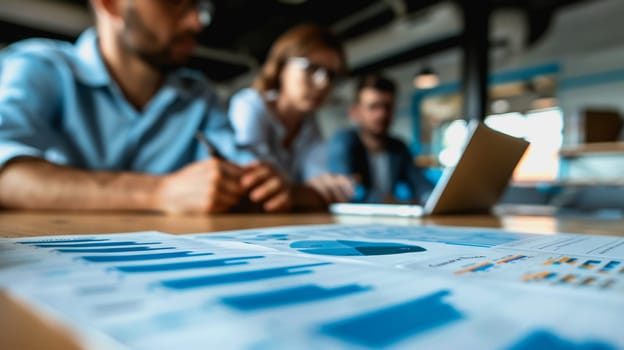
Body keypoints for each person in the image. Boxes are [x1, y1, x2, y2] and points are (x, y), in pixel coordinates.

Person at [0, 0, 291, 214]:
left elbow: (242, 169)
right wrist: (159, 193)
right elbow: (6, 177)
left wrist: (263, 184)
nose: (197, 22)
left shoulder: (200, 95)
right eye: (177, 4)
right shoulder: (41, 68)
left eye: (201, 7)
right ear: (111, 5)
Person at [228, 23, 354, 208]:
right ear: (281, 66)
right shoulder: (249, 105)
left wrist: (330, 185)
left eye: (331, 74)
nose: (323, 83)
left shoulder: (310, 124)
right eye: (311, 68)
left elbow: (318, 183)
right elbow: (257, 185)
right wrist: (306, 192)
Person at [327, 73, 434, 203]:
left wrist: (432, 198)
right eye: (373, 107)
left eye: (387, 107)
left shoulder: (398, 147)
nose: (382, 114)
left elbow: (420, 183)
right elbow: (346, 189)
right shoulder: (344, 141)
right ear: (356, 112)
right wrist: (386, 202)